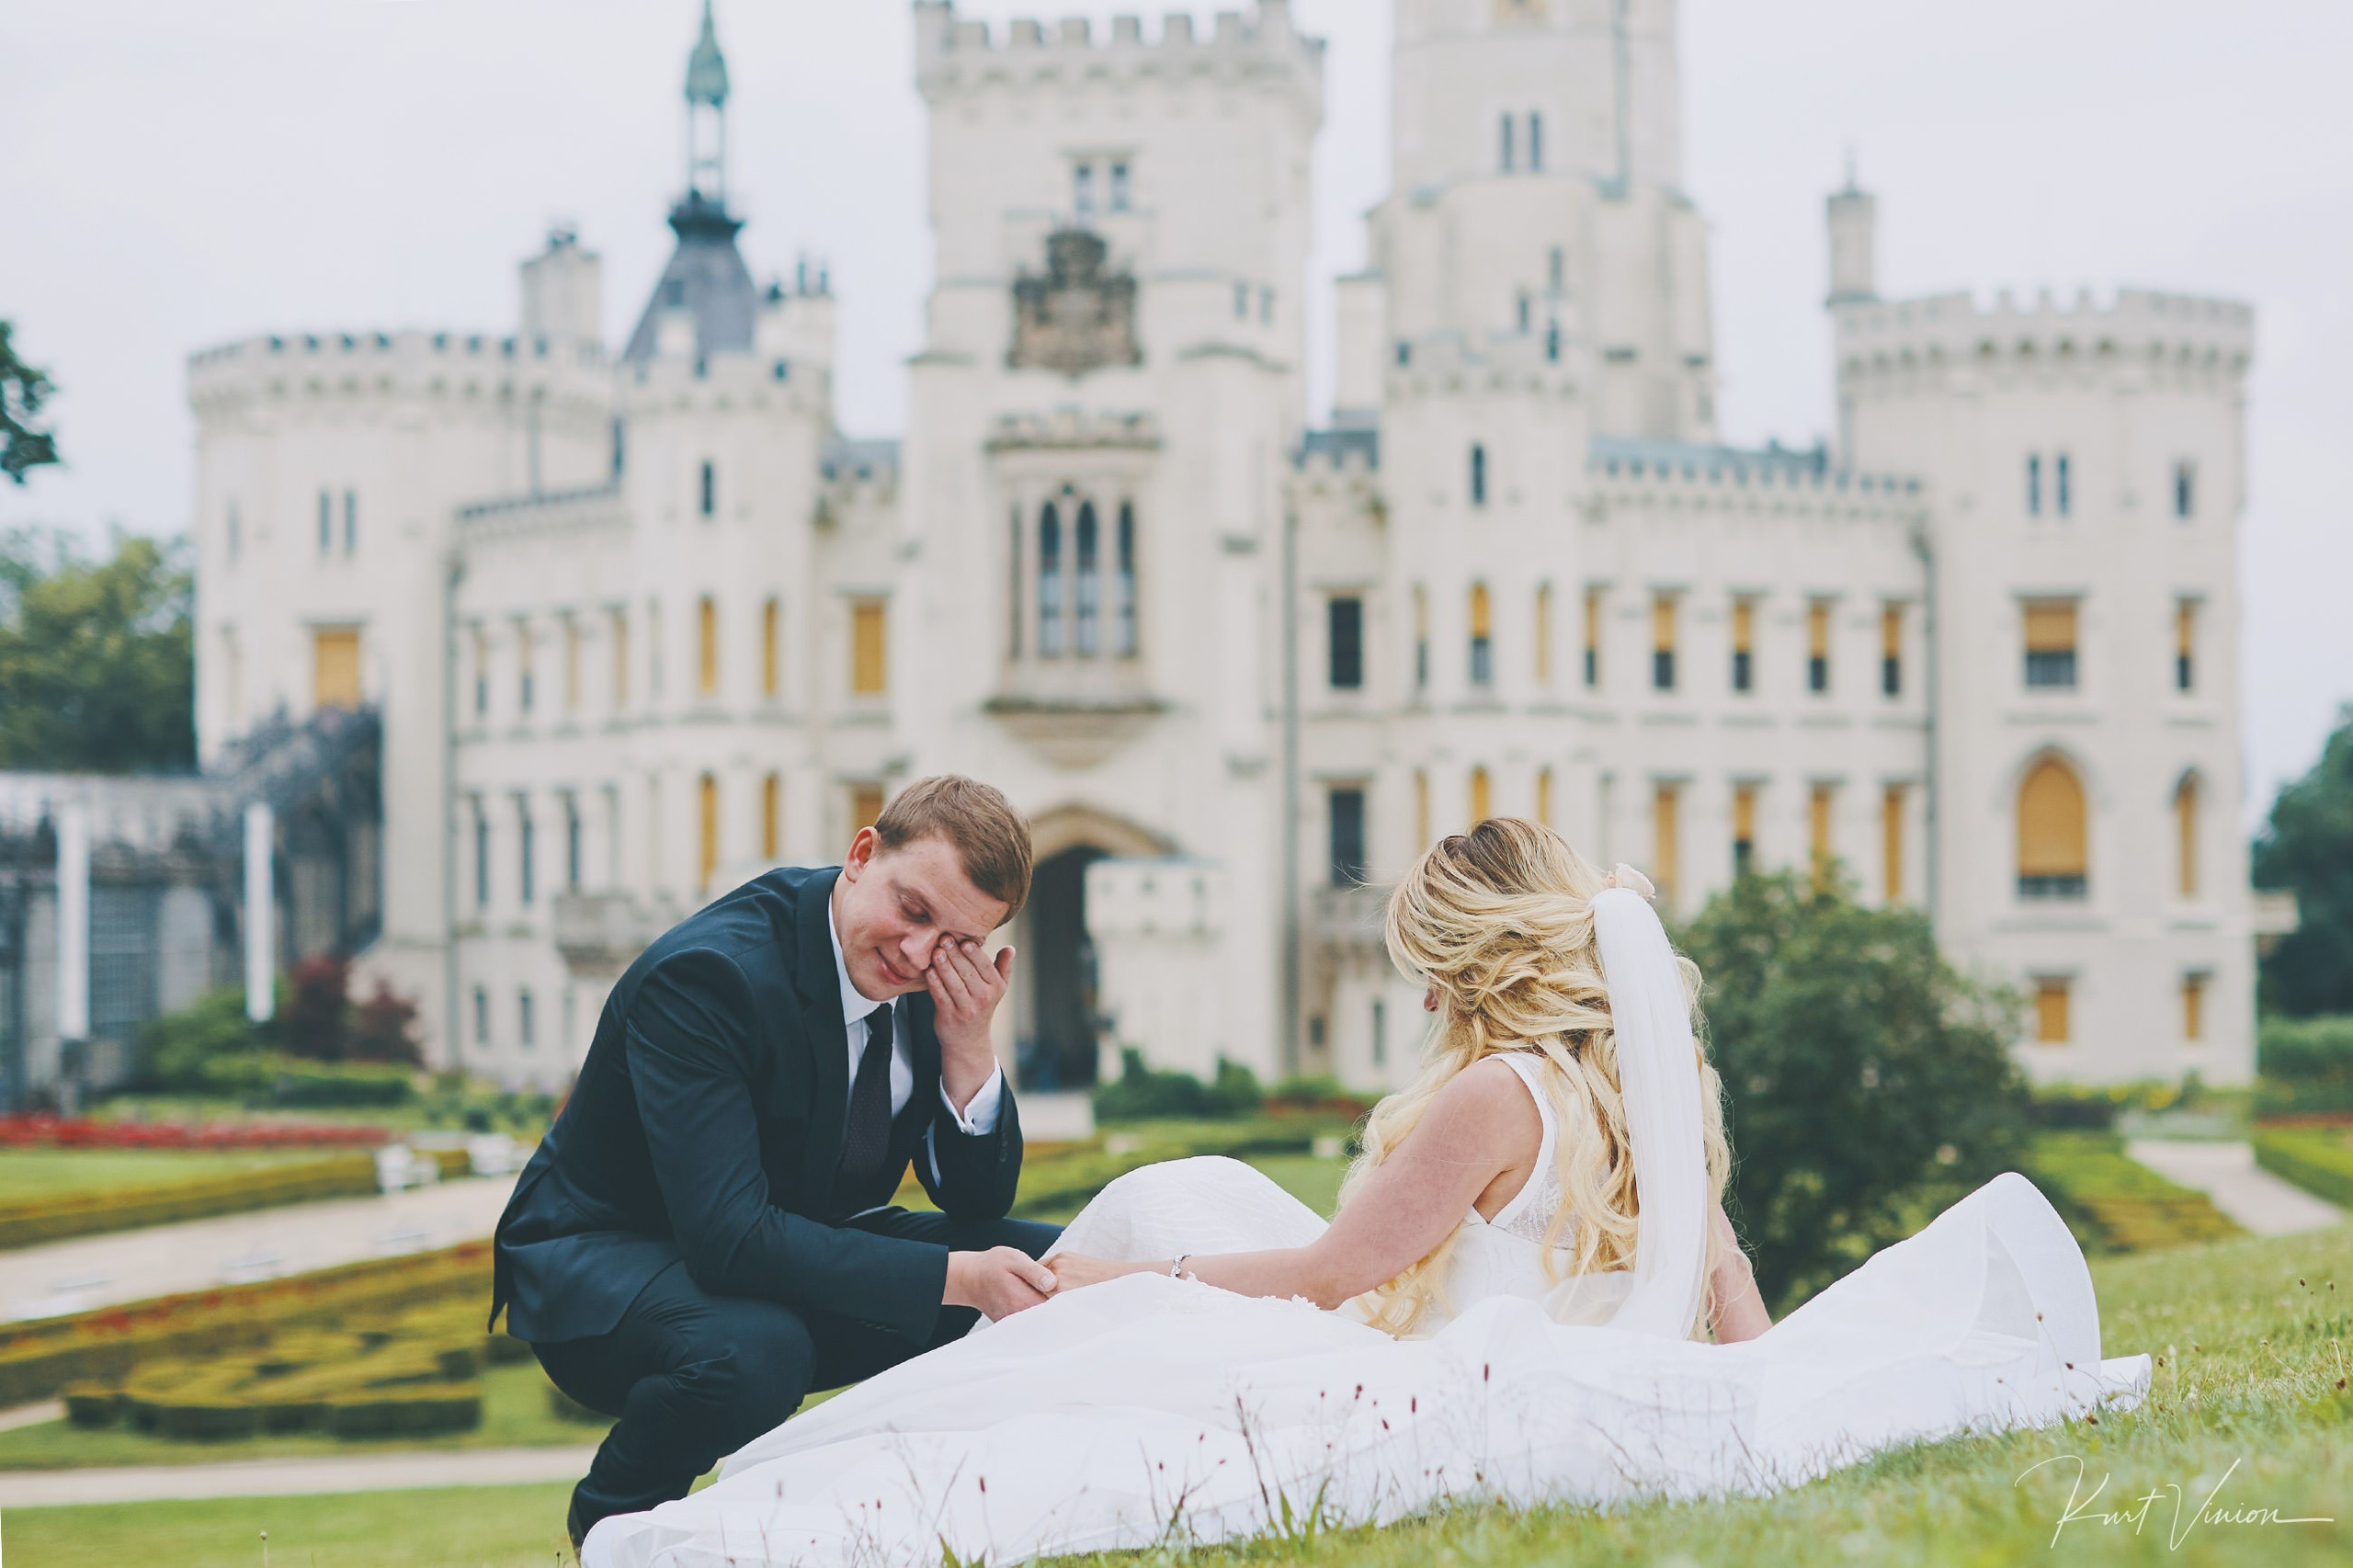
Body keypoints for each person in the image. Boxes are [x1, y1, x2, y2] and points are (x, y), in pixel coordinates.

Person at [583, 818, 2150, 1568]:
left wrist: (1140, 1290)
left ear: (1473, 965)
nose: (1415, 992)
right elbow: (1737, 1307)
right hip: (1520, 1355)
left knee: (1139, 1272)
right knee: (1154, 1225)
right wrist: (1753, 1391)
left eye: (1425, 961)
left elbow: (1335, 1276)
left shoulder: (1493, 1093)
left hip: (1422, 1372)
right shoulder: (1632, 1108)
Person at [491, 775, 1062, 1551]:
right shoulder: (709, 978)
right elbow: (729, 1238)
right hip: (605, 1261)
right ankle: (611, 1531)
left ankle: (956, 1526)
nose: (918, 952)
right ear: (862, 854)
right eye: (913, 910)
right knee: (757, 1352)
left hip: (777, 1237)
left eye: (957, 941)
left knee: (1045, 1270)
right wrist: (960, 1280)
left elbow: (974, 1196)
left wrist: (967, 1044)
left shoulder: (929, 981)